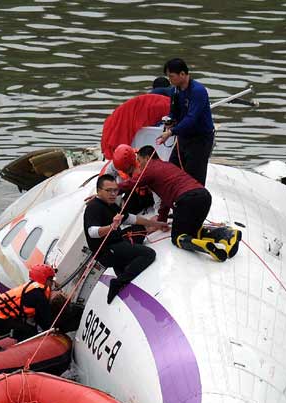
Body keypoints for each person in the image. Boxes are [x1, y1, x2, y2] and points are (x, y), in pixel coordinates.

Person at [133, 145, 241, 260]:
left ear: (147, 158)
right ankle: (227, 234)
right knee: (193, 231)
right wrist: (161, 220)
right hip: (204, 196)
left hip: (187, 200)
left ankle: (205, 247)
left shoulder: (150, 170)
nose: (139, 165)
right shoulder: (168, 166)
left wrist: (116, 187)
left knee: (178, 237)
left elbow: (132, 183)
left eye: (139, 161)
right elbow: (164, 199)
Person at [83, 174, 169, 304]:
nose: (113, 194)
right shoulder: (94, 207)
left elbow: (130, 218)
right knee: (149, 254)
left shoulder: (110, 204)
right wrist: (111, 227)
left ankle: (123, 271)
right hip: (108, 250)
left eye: (115, 190)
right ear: (99, 191)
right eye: (109, 190)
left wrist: (157, 224)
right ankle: (117, 283)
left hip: (117, 243)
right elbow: (92, 232)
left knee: (138, 229)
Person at [156, 58, 215, 185]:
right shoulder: (175, 91)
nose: (169, 80)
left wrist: (171, 132)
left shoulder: (197, 91)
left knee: (193, 178)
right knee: (171, 171)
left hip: (199, 139)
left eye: (171, 76)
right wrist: (170, 121)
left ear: (182, 74)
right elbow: (174, 112)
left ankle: (195, 202)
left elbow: (191, 118)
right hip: (183, 137)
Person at [0, 263, 56, 341]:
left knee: (23, 326)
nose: (52, 282)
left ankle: (13, 343)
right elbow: (43, 318)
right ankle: (21, 349)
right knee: (30, 331)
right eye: (51, 279)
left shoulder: (31, 287)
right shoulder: (38, 294)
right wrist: (53, 330)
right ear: (44, 279)